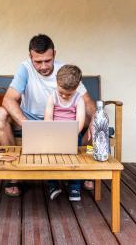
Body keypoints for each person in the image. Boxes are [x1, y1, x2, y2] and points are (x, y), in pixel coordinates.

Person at [0, 34, 95, 197]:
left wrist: (95, 120)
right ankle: (14, 176)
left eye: (47, 60)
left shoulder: (65, 71)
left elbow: (88, 102)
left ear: (54, 53)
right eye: (38, 62)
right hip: (29, 117)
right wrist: (27, 124)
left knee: (94, 120)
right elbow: (9, 99)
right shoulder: (25, 68)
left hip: (60, 120)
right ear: (30, 57)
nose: (43, 66)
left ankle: (84, 171)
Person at [44, 64, 85, 201]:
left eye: (68, 94)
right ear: (56, 82)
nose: (64, 96)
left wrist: (72, 134)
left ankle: (74, 186)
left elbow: (80, 121)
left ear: (77, 87)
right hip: (54, 134)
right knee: (51, 159)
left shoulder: (78, 99)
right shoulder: (52, 97)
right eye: (61, 92)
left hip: (72, 134)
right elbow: (48, 118)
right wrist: (52, 133)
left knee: (75, 159)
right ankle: (53, 185)